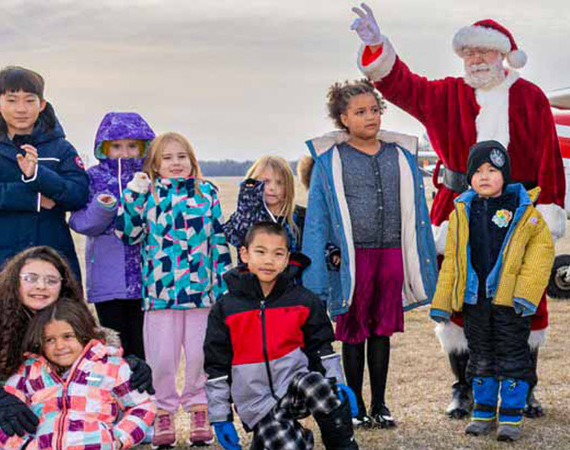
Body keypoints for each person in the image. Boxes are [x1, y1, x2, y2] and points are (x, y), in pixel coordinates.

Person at [349, 6, 563, 419]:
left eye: (485, 52)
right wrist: (377, 46)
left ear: (504, 55)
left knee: (526, 299)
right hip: (458, 214)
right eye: (469, 54)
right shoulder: (445, 94)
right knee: (460, 298)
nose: (477, 60)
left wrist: (548, 207)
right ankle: (464, 387)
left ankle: (524, 386)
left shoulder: (530, 96)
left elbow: (548, 157)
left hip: (517, 214)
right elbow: (401, 85)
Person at [302, 79, 437, 428]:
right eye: (360, 112)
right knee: (353, 332)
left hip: (391, 252)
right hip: (352, 258)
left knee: (382, 332)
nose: (370, 117)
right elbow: (319, 216)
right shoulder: (331, 160)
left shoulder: (399, 155)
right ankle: (355, 402)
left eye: (374, 109)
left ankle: (380, 403)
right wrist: (324, 258)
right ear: (343, 118)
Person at [0, 246, 153, 450]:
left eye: (51, 280)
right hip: (0, 420)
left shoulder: (71, 322)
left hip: (75, 419)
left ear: (62, 286)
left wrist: (132, 366)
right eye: (31, 278)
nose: (41, 286)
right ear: (14, 281)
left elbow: (102, 359)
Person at [430, 142, 554, 442]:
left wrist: (524, 294)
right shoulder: (461, 212)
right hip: (475, 301)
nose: (485, 176)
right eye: (478, 171)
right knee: (481, 357)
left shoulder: (525, 214)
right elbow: (452, 262)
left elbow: (541, 255)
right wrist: (443, 302)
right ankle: (483, 411)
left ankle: (511, 414)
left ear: (506, 176)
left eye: (493, 170)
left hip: (509, 302)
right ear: (469, 177)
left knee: (513, 355)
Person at [206, 222, 359, 450]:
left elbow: (322, 348)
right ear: (244, 254)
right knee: (286, 445)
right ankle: (275, 439)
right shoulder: (225, 309)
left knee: (316, 383)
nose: (269, 260)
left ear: (287, 258)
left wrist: (337, 385)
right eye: (260, 251)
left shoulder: (303, 301)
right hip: (258, 405)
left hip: (295, 389)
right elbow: (216, 367)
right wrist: (220, 416)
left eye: (278, 253)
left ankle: (343, 446)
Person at [122, 132, 232, 447]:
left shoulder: (206, 192)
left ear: (191, 160)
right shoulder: (147, 194)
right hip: (161, 295)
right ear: (155, 164)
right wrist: (133, 197)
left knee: (200, 356)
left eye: (181, 156)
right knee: (162, 359)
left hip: (201, 293)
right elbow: (128, 234)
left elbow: (218, 241)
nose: (176, 163)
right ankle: (162, 413)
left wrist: (223, 285)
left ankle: (200, 409)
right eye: (167, 158)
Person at [0, 65, 89, 313]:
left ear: (42, 104)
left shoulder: (60, 148)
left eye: (29, 100)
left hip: (52, 251)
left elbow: (78, 193)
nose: (21, 108)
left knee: (54, 328)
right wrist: (34, 198)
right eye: (12, 100)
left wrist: (38, 174)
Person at [0, 300, 155, 450]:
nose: (60, 346)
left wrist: (119, 438)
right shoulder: (29, 372)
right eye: (50, 340)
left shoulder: (111, 366)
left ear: (84, 334)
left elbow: (142, 406)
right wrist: (23, 445)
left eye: (68, 336)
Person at [68, 111, 155, 359]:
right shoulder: (94, 178)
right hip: (107, 279)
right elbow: (81, 222)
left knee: (143, 349)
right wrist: (103, 208)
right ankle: (114, 395)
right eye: (116, 146)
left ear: (144, 147)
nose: (124, 153)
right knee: (113, 349)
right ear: (104, 147)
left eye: (132, 146)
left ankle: (145, 395)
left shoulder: (152, 177)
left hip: (148, 281)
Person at [223, 156, 308, 251]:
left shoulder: (302, 217)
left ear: (288, 186)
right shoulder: (246, 215)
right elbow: (235, 237)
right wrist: (249, 196)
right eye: (265, 182)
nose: (272, 188)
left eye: (280, 183)